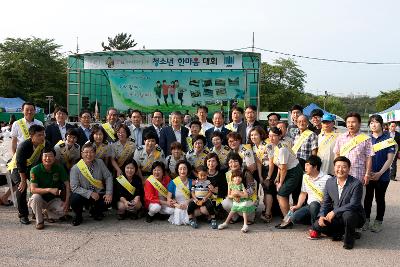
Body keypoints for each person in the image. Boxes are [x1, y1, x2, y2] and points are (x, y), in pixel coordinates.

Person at [310, 156, 366, 250]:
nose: (340, 169)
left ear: (349, 169)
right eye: (338, 166)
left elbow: (354, 204)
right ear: (334, 168)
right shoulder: (329, 182)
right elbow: (326, 202)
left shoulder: (356, 184)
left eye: (344, 167)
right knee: (317, 225)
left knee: (348, 215)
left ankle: (349, 241)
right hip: (337, 217)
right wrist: (321, 215)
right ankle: (342, 233)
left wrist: (335, 212)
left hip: (354, 215)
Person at [8, 125, 49, 225]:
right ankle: (23, 214)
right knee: (22, 188)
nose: (42, 137)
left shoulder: (44, 143)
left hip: (31, 168)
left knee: (39, 184)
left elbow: (51, 154)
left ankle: (37, 210)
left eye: (43, 134)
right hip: (17, 168)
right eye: (39, 135)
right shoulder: (24, 146)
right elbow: (20, 164)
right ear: (31, 136)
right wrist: (22, 180)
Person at [362, 114, 396, 233]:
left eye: (376, 122)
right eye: (371, 123)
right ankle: (365, 220)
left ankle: (378, 221)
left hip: (383, 176)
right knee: (367, 198)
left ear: (381, 125)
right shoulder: (366, 139)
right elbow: (364, 158)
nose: (373, 125)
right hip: (368, 175)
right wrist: (367, 173)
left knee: (380, 199)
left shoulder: (389, 140)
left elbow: (390, 159)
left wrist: (380, 173)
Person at [278, 155, 330, 229]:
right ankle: (317, 222)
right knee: (294, 218)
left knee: (314, 205)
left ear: (315, 167)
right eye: (305, 165)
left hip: (322, 207)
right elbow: (303, 193)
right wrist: (298, 206)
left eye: (308, 165)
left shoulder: (327, 178)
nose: (305, 167)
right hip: (309, 206)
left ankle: (315, 229)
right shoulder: (305, 177)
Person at [69, 143, 113, 226]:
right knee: (74, 199)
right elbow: (74, 187)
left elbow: (108, 176)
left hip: (98, 193)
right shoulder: (76, 168)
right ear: (82, 154)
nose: (89, 155)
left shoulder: (99, 162)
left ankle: (95, 211)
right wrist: (90, 193)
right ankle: (78, 215)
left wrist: (109, 193)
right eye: (86, 152)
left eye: (91, 152)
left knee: (108, 199)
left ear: (95, 153)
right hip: (83, 195)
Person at [269, 127, 303, 228]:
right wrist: (277, 177)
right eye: (269, 135)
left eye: (274, 136)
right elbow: (279, 165)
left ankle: (287, 220)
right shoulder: (275, 146)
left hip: (293, 172)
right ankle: (288, 218)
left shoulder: (282, 148)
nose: (271, 138)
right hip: (287, 171)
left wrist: (280, 183)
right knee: (282, 194)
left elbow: (283, 167)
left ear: (280, 136)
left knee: (281, 194)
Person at [28, 147, 70, 230]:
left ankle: (46, 213)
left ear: (54, 157)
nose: (48, 158)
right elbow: (33, 190)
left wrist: (67, 202)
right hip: (39, 199)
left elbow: (67, 185)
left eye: (50, 156)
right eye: (45, 156)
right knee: (36, 197)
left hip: (53, 200)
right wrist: (49, 189)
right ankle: (39, 221)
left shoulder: (59, 168)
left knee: (63, 211)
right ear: (41, 158)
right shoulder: (35, 170)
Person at [334, 112, 373, 184]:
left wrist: (367, 174)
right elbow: (337, 155)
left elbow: (369, 158)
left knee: (358, 195)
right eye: (348, 122)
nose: (350, 125)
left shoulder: (366, 139)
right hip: (342, 174)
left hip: (358, 174)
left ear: (359, 123)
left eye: (353, 122)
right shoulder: (340, 138)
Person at [249, 126, 276, 223]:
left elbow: (271, 161)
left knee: (268, 190)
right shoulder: (253, 146)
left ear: (261, 135)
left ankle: (268, 213)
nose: (253, 137)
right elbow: (258, 162)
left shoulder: (267, 144)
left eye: (255, 134)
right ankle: (266, 210)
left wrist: (268, 176)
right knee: (264, 189)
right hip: (262, 170)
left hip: (271, 169)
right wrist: (260, 176)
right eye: (251, 135)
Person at [221, 153, 257, 224]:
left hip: (248, 198)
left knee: (244, 207)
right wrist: (233, 195)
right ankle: (235, 217)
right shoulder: (228, 174)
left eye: (235, 161)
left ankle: (250, 218)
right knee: (225, 202)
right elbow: (229, 190)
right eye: (230, 162)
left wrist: (240, 194)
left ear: (240, 162)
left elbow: (252, 189)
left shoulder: (246, 172)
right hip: (235, 198)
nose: (233, 164)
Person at [167, 160, 193, 225]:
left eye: (184, 169)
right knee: (178, 221)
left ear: (188, 170)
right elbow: (168, 198)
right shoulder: (173, 182)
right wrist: (177, 205)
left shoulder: (192, 182)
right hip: (177, 205)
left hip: (188, 204)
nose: (182, 171)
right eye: (180, 169)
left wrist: (187, 202)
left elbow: (195, 197)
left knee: (188, 221)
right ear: (177, 170)